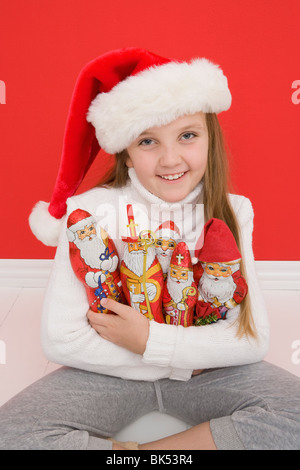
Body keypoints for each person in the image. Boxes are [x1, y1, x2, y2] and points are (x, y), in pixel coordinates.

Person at [1, 47, 300, 450]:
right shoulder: (89, 211)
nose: (170, 158)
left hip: (205, 373)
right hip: (121, 373)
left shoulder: (234, 210)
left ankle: (151, 456)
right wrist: (180, 361)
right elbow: (61, 339)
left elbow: (252, 338)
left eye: (187, 135)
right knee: (11, 432)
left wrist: (148, 341)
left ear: (209, 138)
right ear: (126, 151)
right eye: (147, 141)